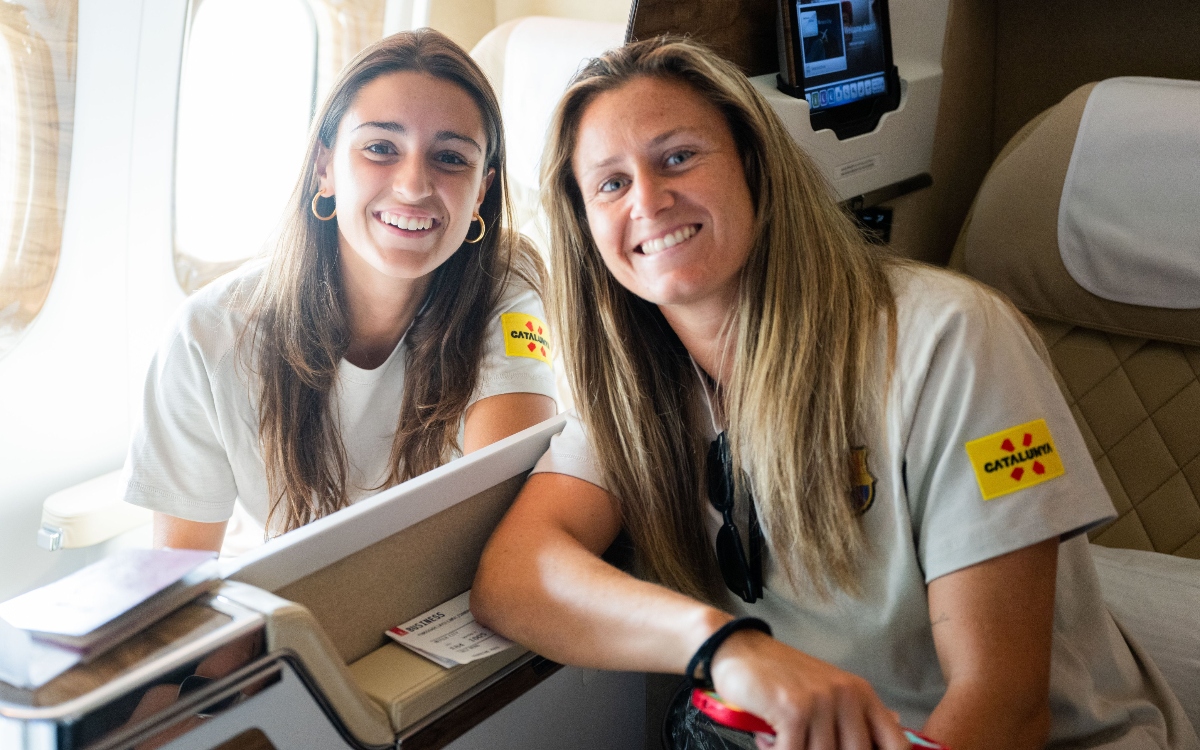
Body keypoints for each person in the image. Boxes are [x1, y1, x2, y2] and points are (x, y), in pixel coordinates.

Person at [470, 38, 1198, 750]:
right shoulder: (638, 385)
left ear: (754, 166)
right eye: (611, 183)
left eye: (678, 157)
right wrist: (724, 647)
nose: (650, 200)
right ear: (585, 223)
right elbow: (516, 575)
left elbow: (1003, 712)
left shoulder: (949, 338)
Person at [122, 30, 557, 552]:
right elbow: (183, 578)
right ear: (324, 168)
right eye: (380, 148)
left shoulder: (504, 284)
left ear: (481, 191)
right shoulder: (208, 337)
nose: (414, 185)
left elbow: (500, 517)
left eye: (450, 158)